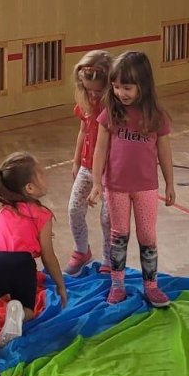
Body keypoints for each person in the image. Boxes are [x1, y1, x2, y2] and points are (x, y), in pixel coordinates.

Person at [89, 50, 175, 307]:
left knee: (147, 236)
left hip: (146, 187)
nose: (120, 93)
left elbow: (164, 152)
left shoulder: (156, 116)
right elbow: (100, 149)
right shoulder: (111, 113)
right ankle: (117, 285)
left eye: (126, 87)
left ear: (143, 85)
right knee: (119, 235)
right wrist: (96, 182)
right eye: (116, 87)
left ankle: (151, 285)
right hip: (116, 187)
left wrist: (170, 184)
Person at [0, 153, 67, 365]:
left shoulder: (3, 211)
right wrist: (61, 285)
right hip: (23, 264)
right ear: (29, 188)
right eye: (41, 174)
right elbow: (48, 255)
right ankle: (18, 314)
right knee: (28, 308)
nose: (46, 175)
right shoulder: (42, 214)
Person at [65, 51, 114, 274]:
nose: (93, 95)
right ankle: (81, 251)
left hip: (109, 172)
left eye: (98, 91)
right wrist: (76, 161)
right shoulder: (86, 105)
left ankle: (109, 260)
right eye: (88, 90)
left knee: (107, 218)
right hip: (86, 167)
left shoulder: (113, 109)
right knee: (74, 209)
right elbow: (83, 131)